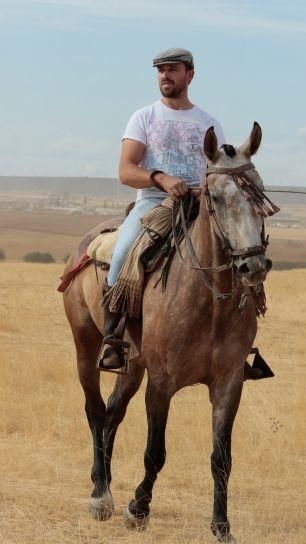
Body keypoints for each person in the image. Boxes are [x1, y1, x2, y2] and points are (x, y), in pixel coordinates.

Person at [100, 48, 225, 371]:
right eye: (160, 70)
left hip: (200, 208)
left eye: (172, 69)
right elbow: (127, 171)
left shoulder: (209, 123)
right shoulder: (144, 117)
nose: (165, 75)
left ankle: (240, 344)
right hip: (154, 205)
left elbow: (220, 171)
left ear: (190, 75)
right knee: (123, 251)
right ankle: (114, 340)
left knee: (239, 252)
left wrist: (205, 189)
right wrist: (161, 179)